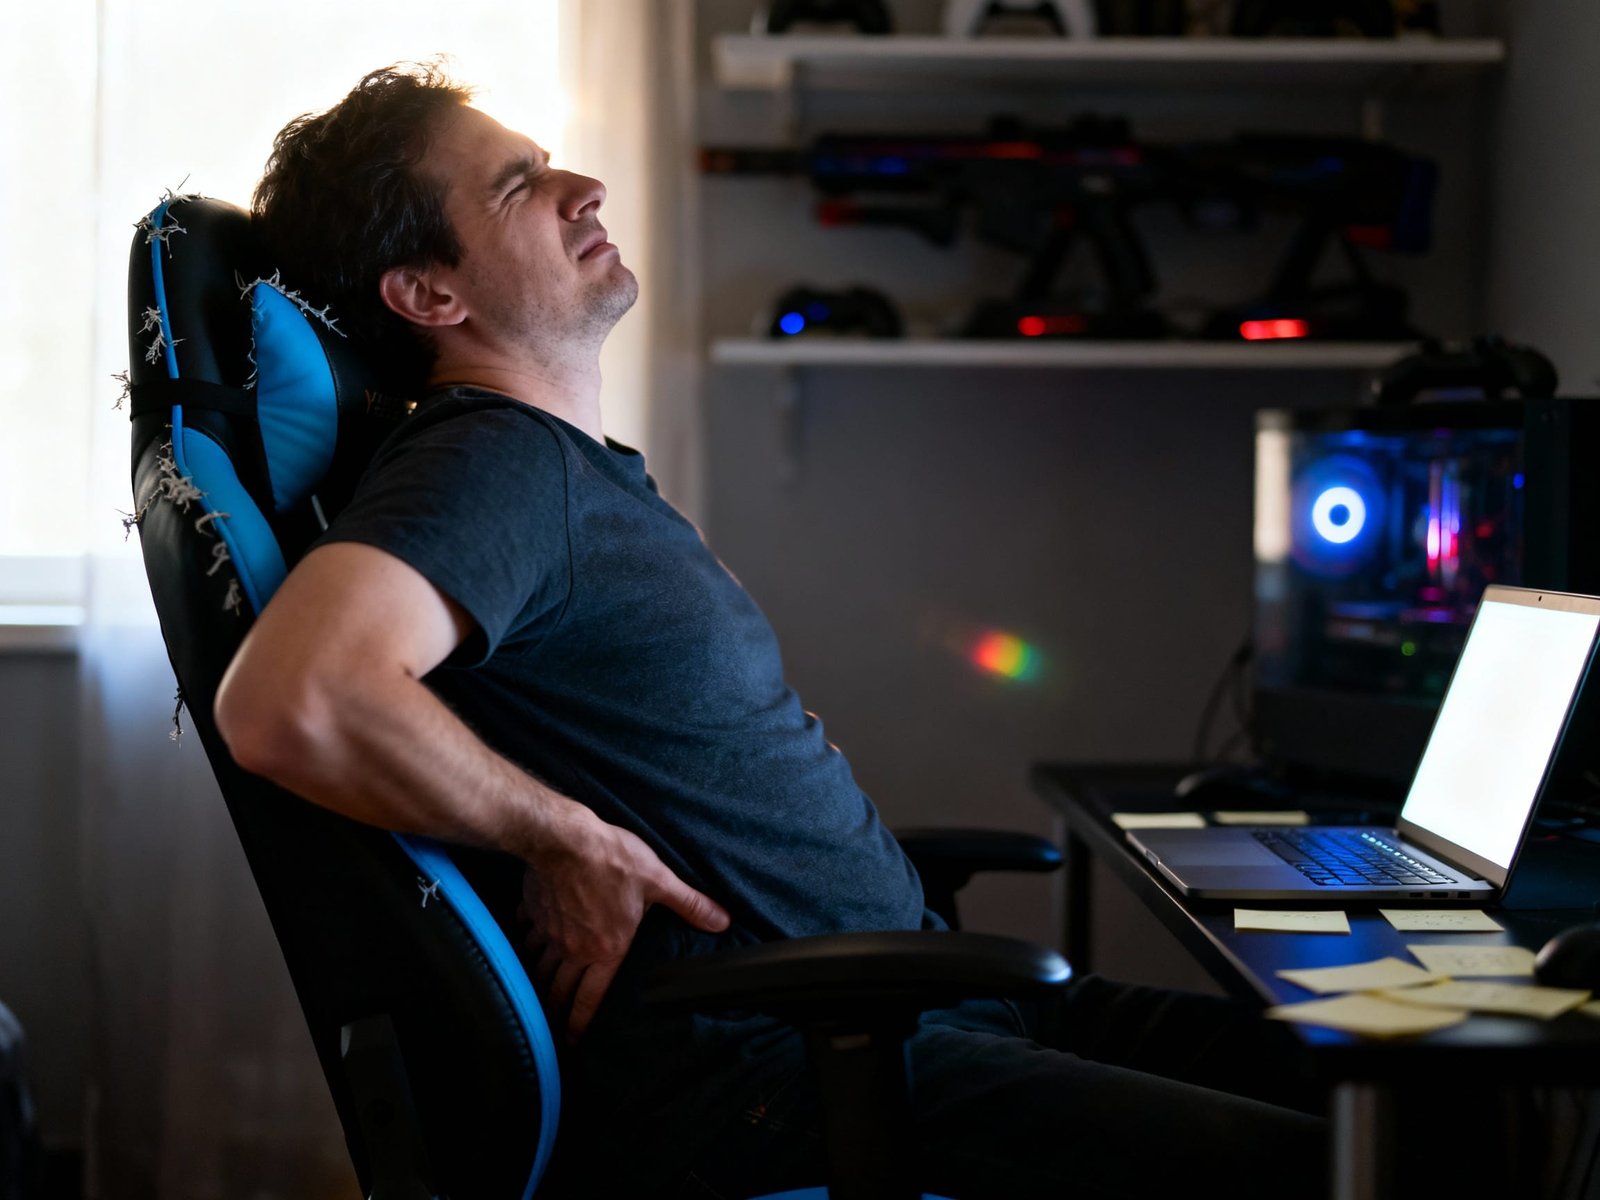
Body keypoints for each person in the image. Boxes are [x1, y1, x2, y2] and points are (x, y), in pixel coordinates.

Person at [216, 62, 1328, 1199]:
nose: (585, 187)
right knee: (1333, 1167)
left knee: (1403, 1095)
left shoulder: (565, 472)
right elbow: (290, 697)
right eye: (518, 188)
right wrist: (565, 838)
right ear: (429, 295)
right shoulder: (490, 462)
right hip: (794, 1071)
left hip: (921, 1010)